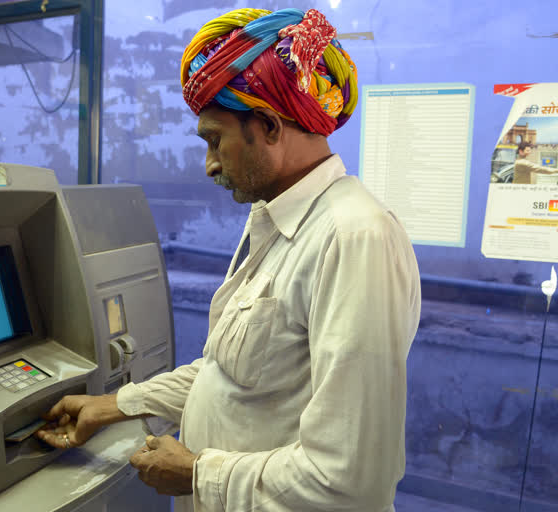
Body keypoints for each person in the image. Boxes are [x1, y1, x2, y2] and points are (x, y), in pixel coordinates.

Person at [37, 8, 421, 512]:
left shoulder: (353, 237)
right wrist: (111, 407)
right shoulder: (277, 222)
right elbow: (229, 376)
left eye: (215, 140)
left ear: (266, 125)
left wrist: (198, 473)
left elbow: (352, 477)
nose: (210, 163)